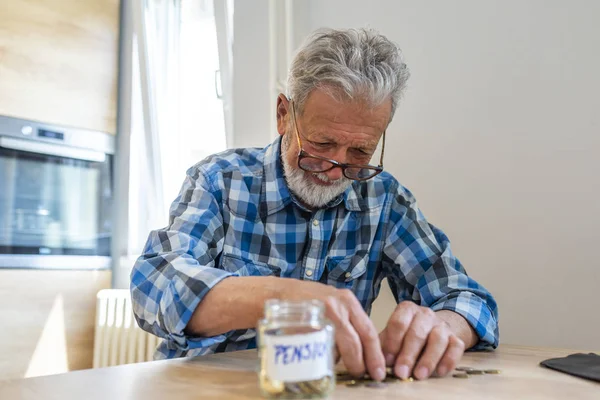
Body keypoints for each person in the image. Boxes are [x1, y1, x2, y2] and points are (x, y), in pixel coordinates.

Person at [131, 27, 499, 382]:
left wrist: (443, 325)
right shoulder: (219, 181)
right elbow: (154, 284)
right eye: (322, 144)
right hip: (201, 391)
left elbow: (468, 299)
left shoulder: (384, 200)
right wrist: (284, 299)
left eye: (360, 151)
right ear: (283, 116)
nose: (336, 170)